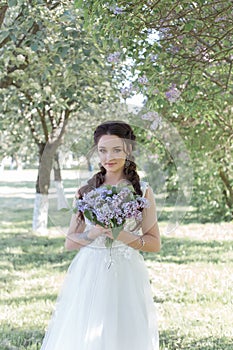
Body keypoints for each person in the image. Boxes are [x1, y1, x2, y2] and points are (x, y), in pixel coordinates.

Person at [40, 121, 161, 350]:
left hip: (127, 272)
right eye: (103, 150)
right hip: (90, 271)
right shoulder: (86, 191)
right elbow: (70, 242)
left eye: (116, 150)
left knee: (125, 333)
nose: (109, 157)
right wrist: (92, 233)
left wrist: (121, 234)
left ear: (128, 150)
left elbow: (154, 243)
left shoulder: (142, 191)